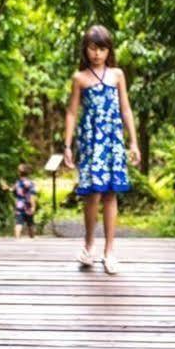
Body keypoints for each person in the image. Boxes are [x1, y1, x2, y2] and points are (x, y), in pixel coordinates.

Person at [62, 24, 140, 274]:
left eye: (102, 49)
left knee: (110, 194)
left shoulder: (117, 75)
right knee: (92, 194)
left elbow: (125, 108)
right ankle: (88, 246)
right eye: (93, 48)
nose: (97, 54)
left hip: (113, 141)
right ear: (85, 50)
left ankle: (110, 251)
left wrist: (133, 142)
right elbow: (72, 112)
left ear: (109, 51)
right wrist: (67, 145)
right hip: (90, 141)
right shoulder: (80, 78)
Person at [9, 163, 39, 238]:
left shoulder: (17, 183)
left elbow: (13, 190)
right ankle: (32, 238)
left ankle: (17, 239)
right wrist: (33, 206)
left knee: (18, 223)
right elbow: (32, 196)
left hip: (19, 205)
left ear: (19, 173)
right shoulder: (30, 183)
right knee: (30, 223)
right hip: (28, 205)